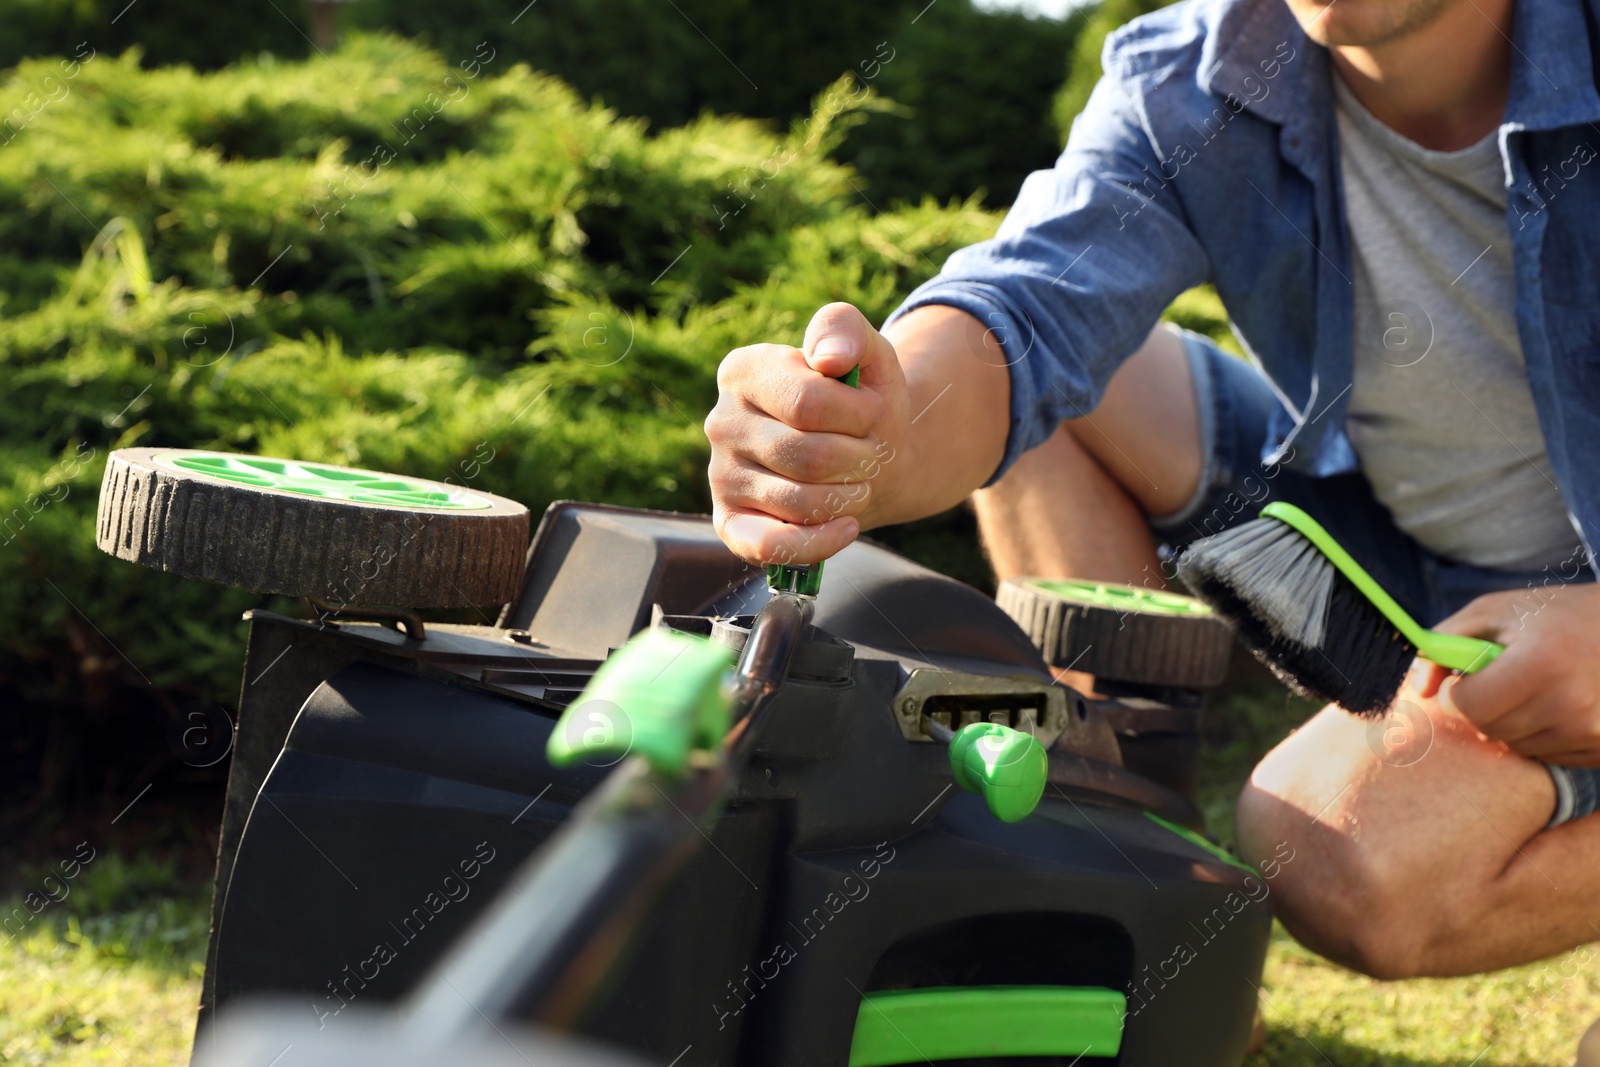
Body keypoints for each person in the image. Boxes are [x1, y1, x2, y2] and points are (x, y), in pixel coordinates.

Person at [704, 0, 1600, 1059]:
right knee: (1059, 396)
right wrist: (867, 432)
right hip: (1399, 546)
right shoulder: (1197, 80)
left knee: (1361, 853)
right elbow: (1026, 317)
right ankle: (1114, 877)